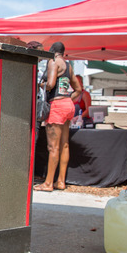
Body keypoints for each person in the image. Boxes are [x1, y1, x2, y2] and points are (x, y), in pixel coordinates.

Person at [35, 42, 82, 192]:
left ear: (52, 51)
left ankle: (48, 183)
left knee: (52, 147)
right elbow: (79, 89)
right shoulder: (68, 66)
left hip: (57, 106)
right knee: (64, 145)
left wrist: (40, 85)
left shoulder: (53, 62)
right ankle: (60, 181)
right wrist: (68, 98)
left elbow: (50, 84)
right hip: (68, 105)